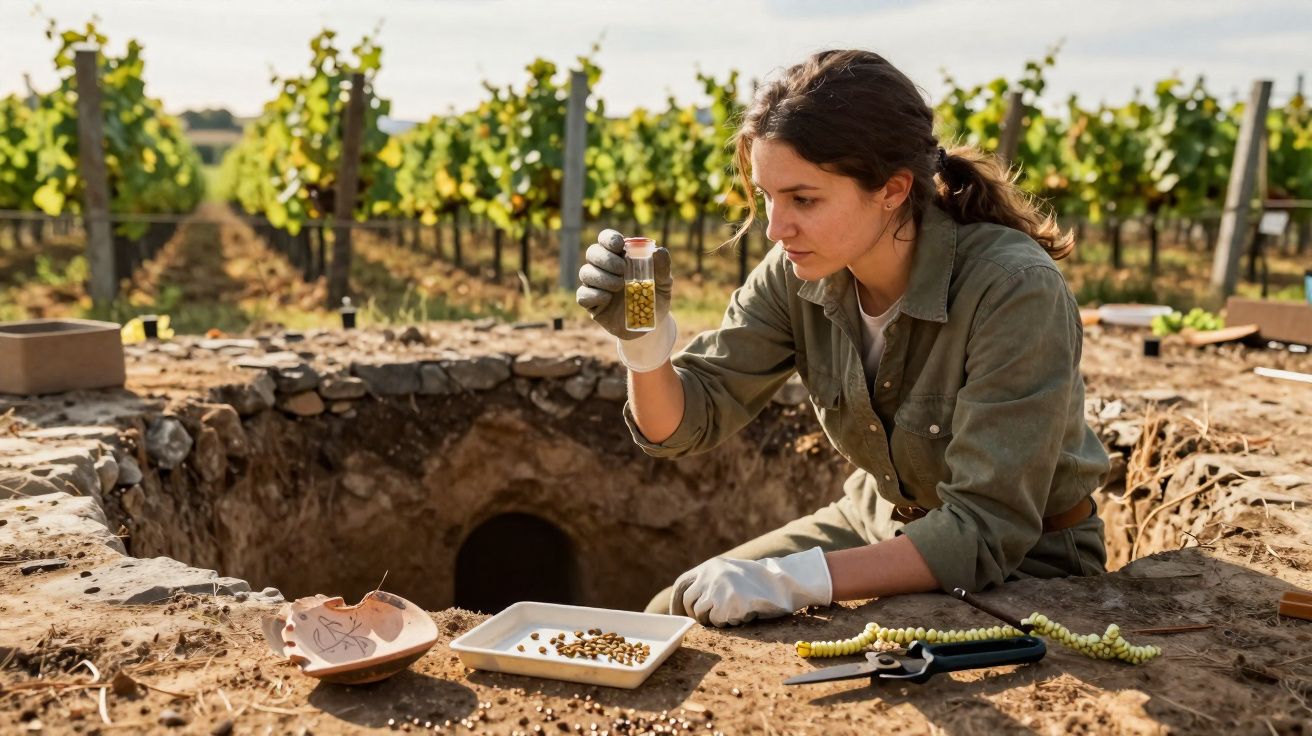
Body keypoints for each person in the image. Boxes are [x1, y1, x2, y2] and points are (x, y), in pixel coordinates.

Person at [575, 49, 1111, 628]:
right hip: (878, 521)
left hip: (1025, 563)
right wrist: (646, 349)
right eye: (767, 198)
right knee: (675, 608)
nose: (777, 229)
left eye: (804, 199)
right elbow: (680, 426)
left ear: (892, 189)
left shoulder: (1013, 289)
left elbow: (985, 529)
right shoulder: (796, 270)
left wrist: (790, 581)